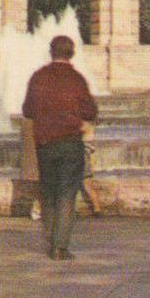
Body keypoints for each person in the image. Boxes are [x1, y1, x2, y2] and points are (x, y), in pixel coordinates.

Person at [22, 35, 98, 260]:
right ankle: (59, 247)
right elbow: (91, 111)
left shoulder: (38, 77)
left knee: (49, 192)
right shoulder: (76, 79)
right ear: (72, 53)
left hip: (45, 142)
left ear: (51, 52)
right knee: (67, 193)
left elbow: (27, 110)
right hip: (69, 142)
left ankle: (52, 239)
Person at [79, 120, 103, 217]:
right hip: (85, 154)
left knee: (85, 185)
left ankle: (97, 208)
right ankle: (97, 209)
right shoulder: (87, 122)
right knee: (88, 185)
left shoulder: (82, 123)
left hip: (80, 154)